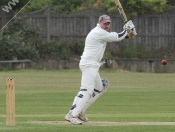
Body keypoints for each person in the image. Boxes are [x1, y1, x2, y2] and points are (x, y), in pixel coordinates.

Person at [65, 15, 137, 125]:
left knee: (100, 87)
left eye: (108, 24)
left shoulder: (103, 33)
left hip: (93, 65)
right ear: (99, 22)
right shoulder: (97, 32)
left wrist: (129, 33)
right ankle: (72, 115)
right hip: (89, 64)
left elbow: (117, 37)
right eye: (105, 24)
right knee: (87, 89)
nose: (107, 26)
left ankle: (80, 111)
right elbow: (117, 37)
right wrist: (127, 29)